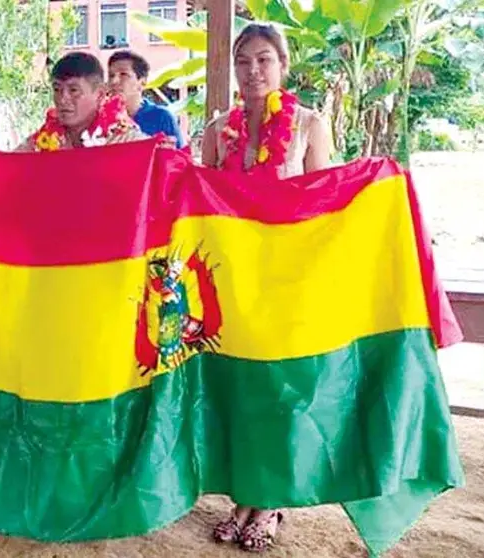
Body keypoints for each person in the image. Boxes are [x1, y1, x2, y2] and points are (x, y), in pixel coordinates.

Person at [199, 23, 333, 552]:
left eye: (264, 61)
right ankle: (243, 497)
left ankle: (272, 499)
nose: (253, 71)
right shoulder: (218, 128)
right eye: (243, 61)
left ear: (282, 66)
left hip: (288, 280)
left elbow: (325, 203)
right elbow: (201, 201)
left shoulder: (307, 124)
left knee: (281, 390)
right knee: (242, 389)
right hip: (234, 280)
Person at [16, 51, 145, 152]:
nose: (63, 99)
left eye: (73, 90)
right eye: (57, 89)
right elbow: (11, 164)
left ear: (100, 94)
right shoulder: (43, 139)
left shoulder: (126, 141)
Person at [107, 50, 186, 149]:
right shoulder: (100, 117)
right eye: (111, 75)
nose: (114, 81)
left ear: (142, 83)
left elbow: (181, 160)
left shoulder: (162, 117)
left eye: (123, 75)